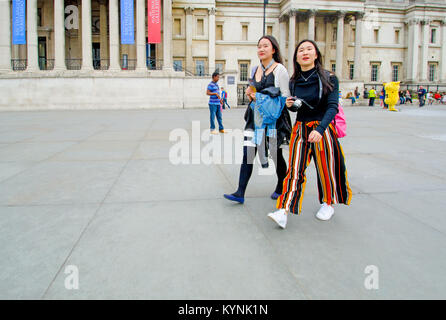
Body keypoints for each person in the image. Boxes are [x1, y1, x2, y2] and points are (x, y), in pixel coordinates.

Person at [267, 39, 352, 229]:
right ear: (296, 57)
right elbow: (298, 106)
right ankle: (284, 210)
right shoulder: (294, 81)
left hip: (323, 129)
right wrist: (289, 104)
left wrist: (321, 129)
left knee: (326, 168)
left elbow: (332, 107)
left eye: (309, 49)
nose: (305, 53)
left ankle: (328, 203)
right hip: (301, 129)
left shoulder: (330, 78)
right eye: (301, 50)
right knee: (294, 170)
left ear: (316, 55)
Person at [223, 35, 291, 204]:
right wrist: (250, 91)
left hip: (273, 121)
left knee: (276, 155)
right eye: (259, 46)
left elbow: (285, 97)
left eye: (265, 46)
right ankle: (240, 192)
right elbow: (254, 89)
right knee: (248, 154)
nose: (261, 49)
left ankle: (282, 186)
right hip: (254, 119)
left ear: (273, 49)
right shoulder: (255, 69)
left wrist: (258, 96)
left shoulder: (279, 70)